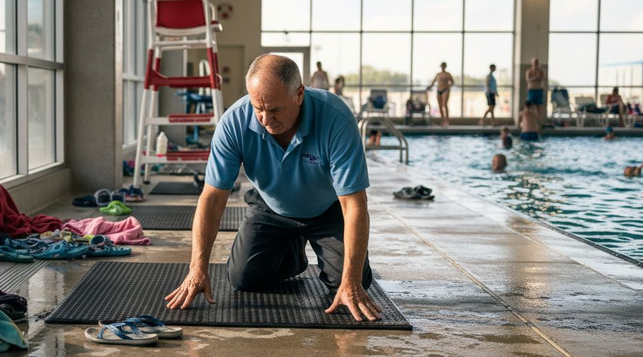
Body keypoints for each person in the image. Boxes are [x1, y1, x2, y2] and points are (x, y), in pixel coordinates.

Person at [164, 54, 380, 321]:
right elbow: (212, 198)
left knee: (350, 283)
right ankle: (294, 254)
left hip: (328, 209)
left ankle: (333, 263)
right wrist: (197, 267)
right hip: (271, 206)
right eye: (259, 108)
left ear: (299, 94)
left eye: (276, 110)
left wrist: (352, 280)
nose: (266, 119)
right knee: (243, 278)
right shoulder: (234, 122)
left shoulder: (336, 119)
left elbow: (354, 203)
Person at [425, 62, 454, 126]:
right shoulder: (438, 74)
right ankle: (443, 121)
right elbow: (433, 83)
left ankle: (447, 121)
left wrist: (448, 87)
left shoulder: (448, 74)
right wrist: (429, 87)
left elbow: (452, 82)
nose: (442, 67)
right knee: (440, 106)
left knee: (444, 105)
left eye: (443, 66)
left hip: (445, 90)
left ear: (445, 66)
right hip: (439, 90)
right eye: (441, 66)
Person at [525, 57, 546, 126]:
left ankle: (539, 122)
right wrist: (536, 77)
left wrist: (535, 78)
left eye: (537, 62)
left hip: (539, 90)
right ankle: (531, 121)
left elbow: (542, 78)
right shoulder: (529, 71)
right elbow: (528, 80)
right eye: (534, 62)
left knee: (539, 106)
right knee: (531, 106)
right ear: (532, 63)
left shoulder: (541, 71)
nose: (536, 64)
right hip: (532, 90)